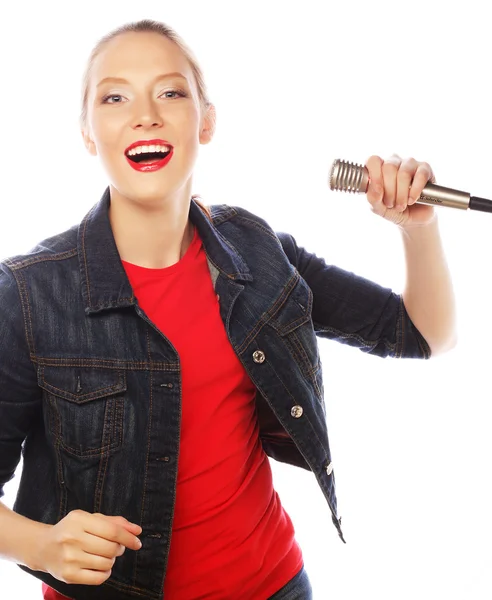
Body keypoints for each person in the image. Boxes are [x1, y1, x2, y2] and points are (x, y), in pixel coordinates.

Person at [0, 18, 456, 600]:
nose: (146, 114)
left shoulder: (258, 251)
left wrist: (419, 228)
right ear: (89, 132)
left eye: (171, 92)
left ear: (206, 121)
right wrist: (40, 546)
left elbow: (423, 334)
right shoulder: (28, 294)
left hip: (275, 585)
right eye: (115, 97)